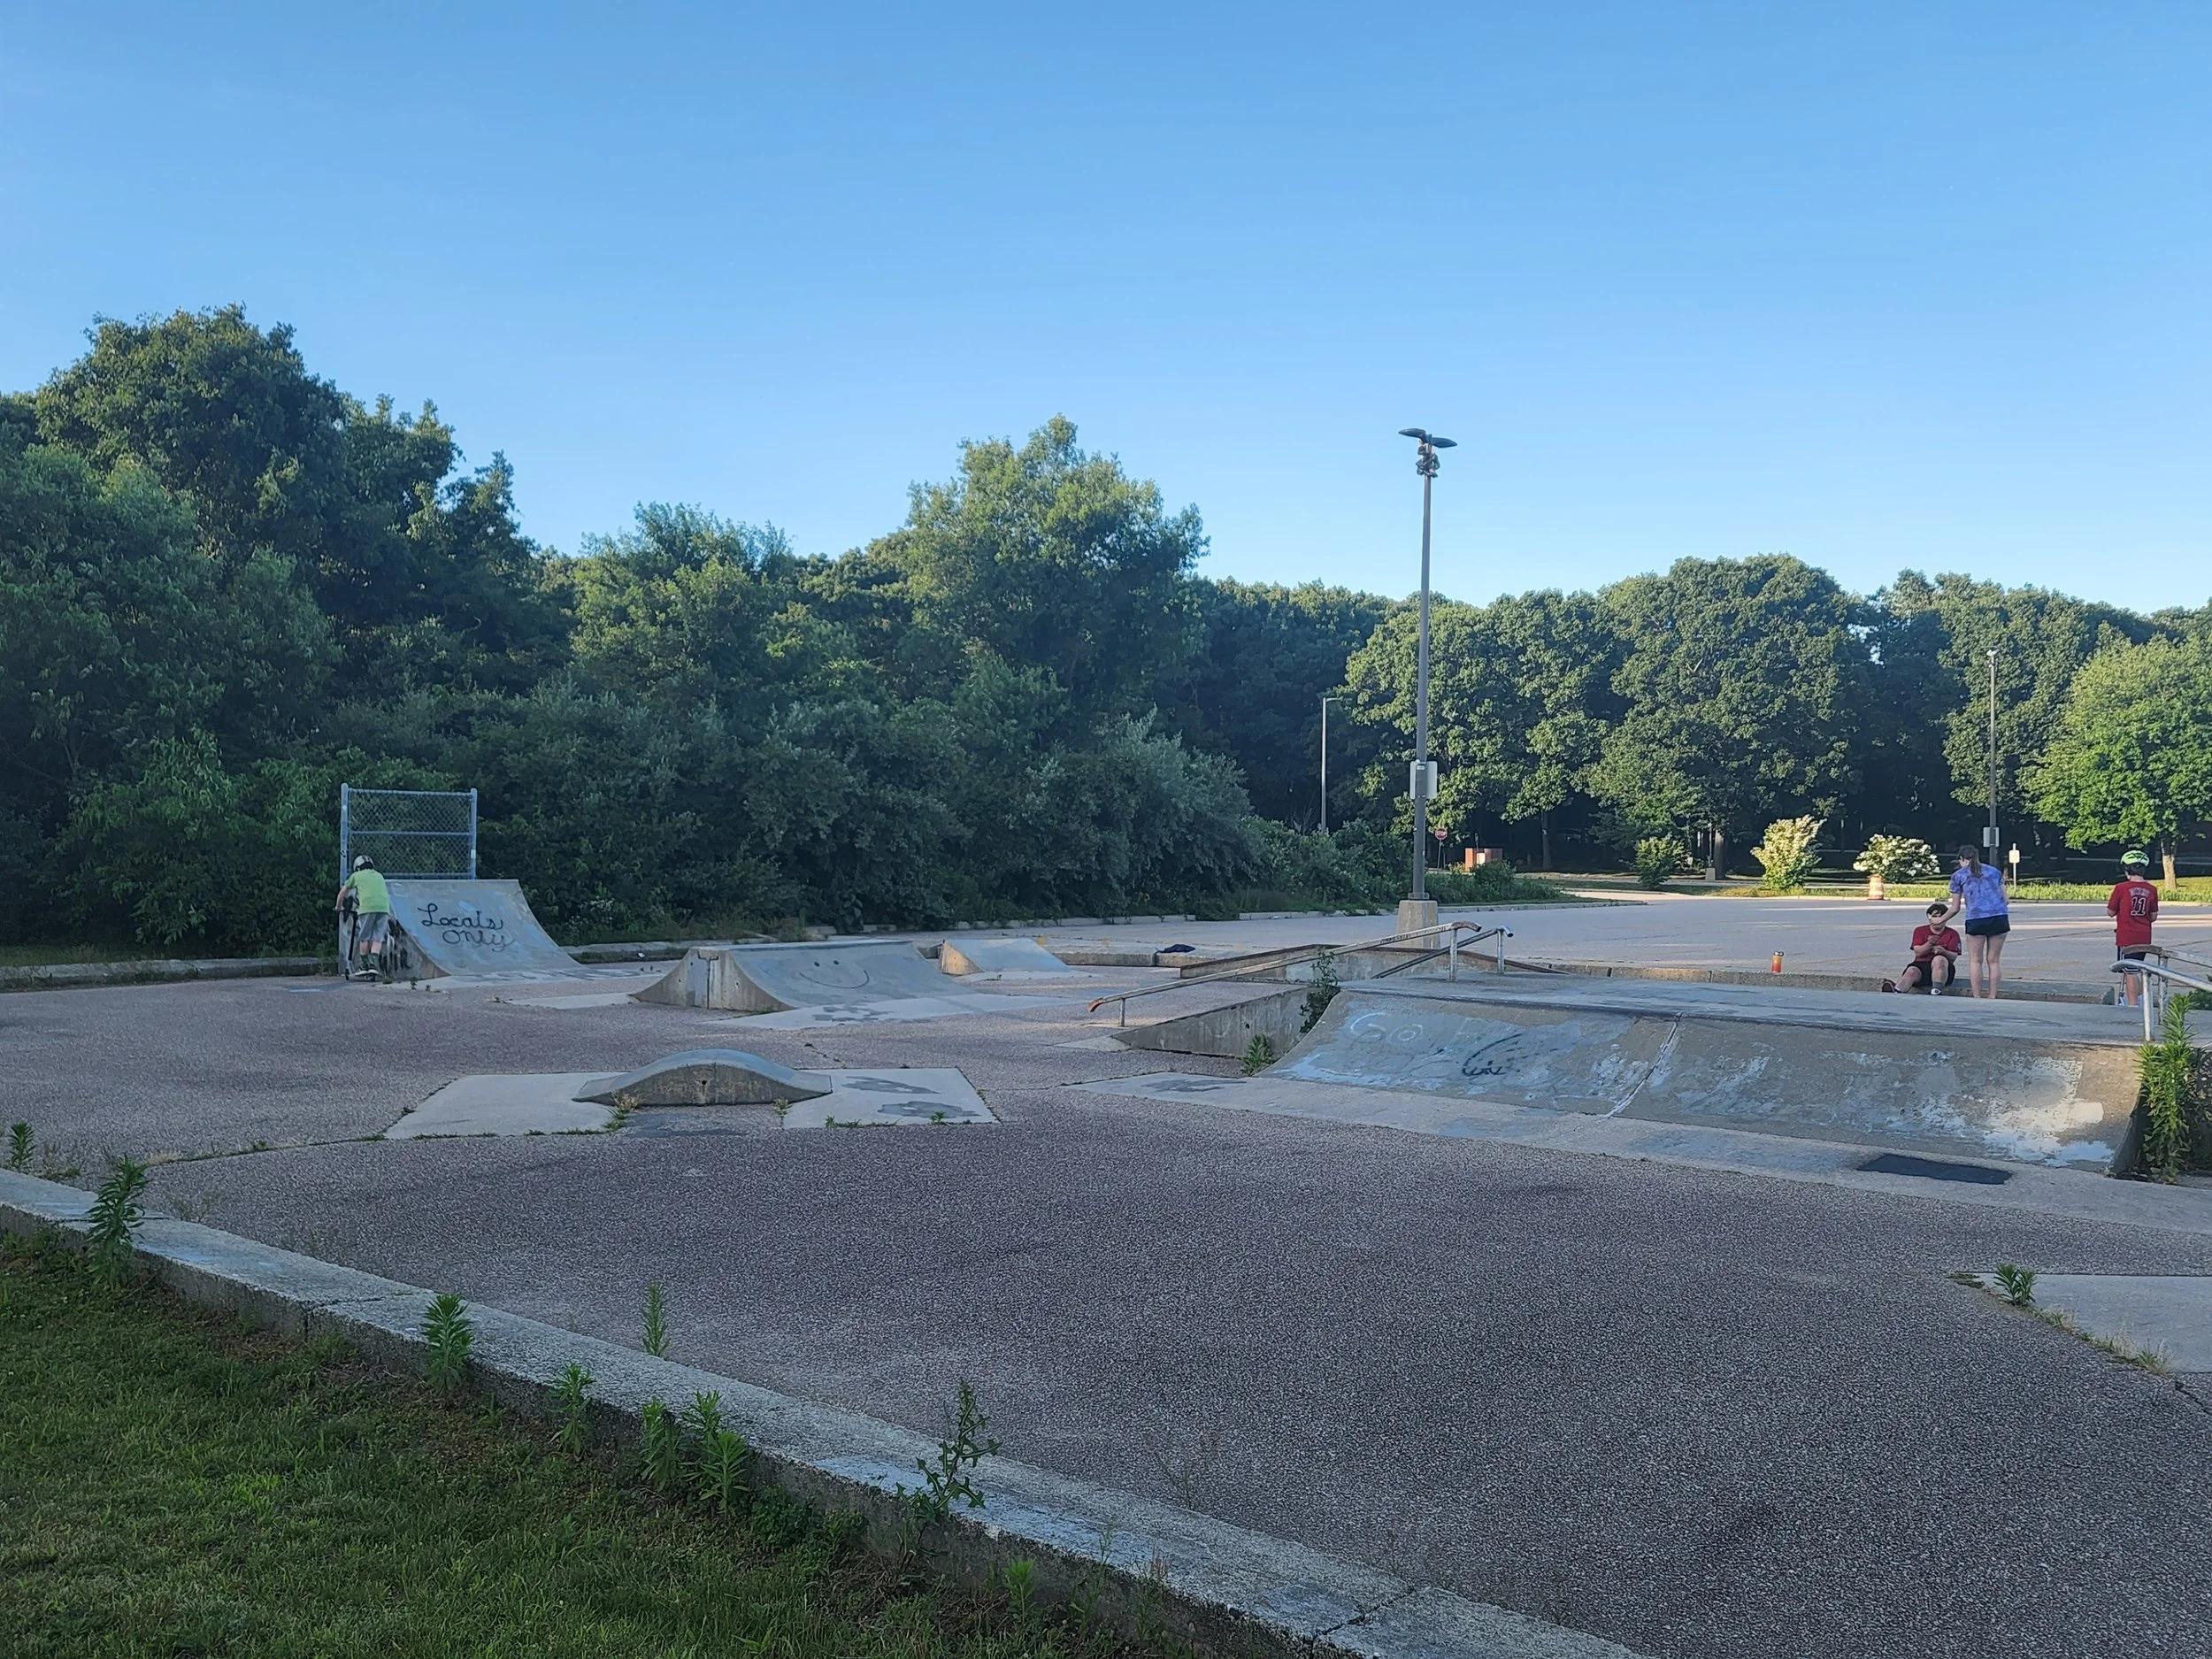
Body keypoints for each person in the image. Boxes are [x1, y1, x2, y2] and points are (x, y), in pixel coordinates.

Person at [1941, 842, 2011, 999]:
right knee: (1993, 961)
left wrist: (1941, 920)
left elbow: (1955, 907)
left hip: (1976, 919)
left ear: (1961, 859)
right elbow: (2006, 899)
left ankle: (1977, 996)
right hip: (1999, 917)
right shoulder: (1994, 872)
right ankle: (1993, 996)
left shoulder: (1958, 876)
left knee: (1976, 960)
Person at [2108, 849, 2161, 1008]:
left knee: (2129, 972)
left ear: (2126, 869)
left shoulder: (2121, 888)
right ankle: (2142, 997)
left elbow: (2110, 912)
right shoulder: (2152, 889)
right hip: (2144, 935)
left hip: (2126, 936)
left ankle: (2133, 1006)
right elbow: (2153, 916)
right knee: (2136, 967)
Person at [334, 856, 394, 980]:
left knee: (364, 936)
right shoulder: (379, 875)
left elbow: (343, 893)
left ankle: (364, 966)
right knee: (378, 937)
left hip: (367, 908)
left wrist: (338, 907)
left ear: (357, 867)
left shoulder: (356, 876)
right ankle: (373, 965)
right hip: (383, 908)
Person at [1884, 902, 1961, 995]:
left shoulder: (1952, 934)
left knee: (1939, 959)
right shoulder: (1920, 931)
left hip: (1943, 969)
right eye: (1934, 917)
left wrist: (1943, 952)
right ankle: (1897, 990)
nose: (1936, 920)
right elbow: (1918, 952)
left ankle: (1936, 990)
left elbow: (1953, 956)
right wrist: (1929, 944)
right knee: (1912, 971)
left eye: (1939, 917)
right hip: (1922, 965)